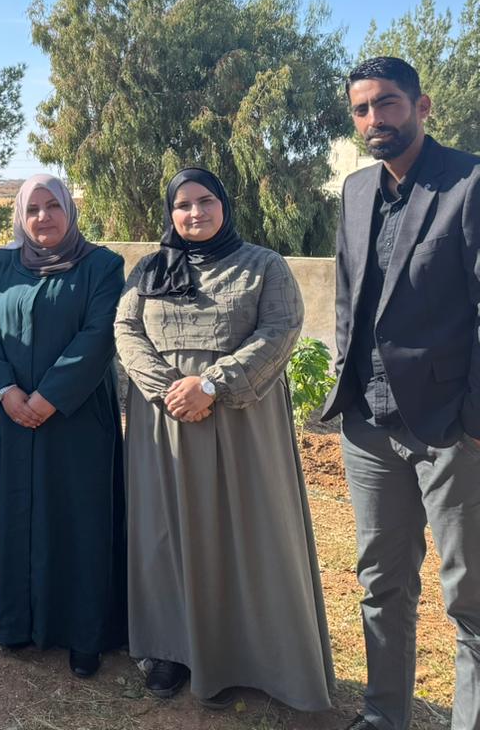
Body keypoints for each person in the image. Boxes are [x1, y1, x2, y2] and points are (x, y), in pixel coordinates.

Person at [115, 167, 334, 711]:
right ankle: (172, 650)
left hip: (241, 421)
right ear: (170, 213)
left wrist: (212, 384)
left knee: (249, 534)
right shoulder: (150, 270)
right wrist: (168, 389)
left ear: (224, 205)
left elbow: (280, 330)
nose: (195, 213)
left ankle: (254, 658)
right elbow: (126, 329)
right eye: (183, 205)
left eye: (205, 201)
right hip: (165, 422)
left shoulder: (264, 265)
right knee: (167, 532)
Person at [320, 56, 480, 730]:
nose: (373, 119)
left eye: (386, 103)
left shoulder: (469, 183)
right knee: (382, 586)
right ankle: (384, 717)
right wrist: (345, 377)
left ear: (422, 105)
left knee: (470, 601)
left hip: (450, 430)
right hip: (368, 426)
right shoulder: (357, 189)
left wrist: (474, 422)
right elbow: (347, 294)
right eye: (361, 109)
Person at [0, 174, 126, 675]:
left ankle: (84, 635)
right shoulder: (0, 265)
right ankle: (16, 623)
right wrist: (5, 390)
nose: (43, 217)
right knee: (18, 513)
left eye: (53, 206)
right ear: (21, 215)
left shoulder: (102, 265)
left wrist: (50, 397)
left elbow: (100, 334)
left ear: (69, 210)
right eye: (33, 208)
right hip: (12, 416)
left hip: (77, 419)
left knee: (79, 518)